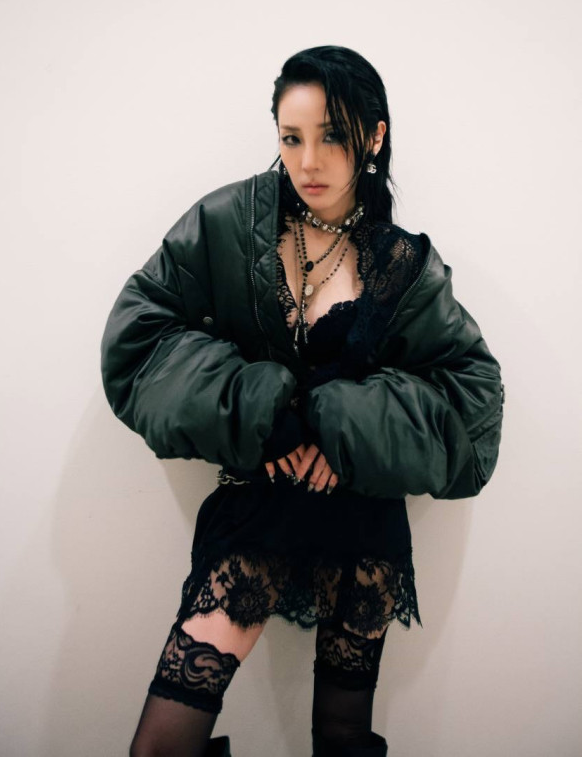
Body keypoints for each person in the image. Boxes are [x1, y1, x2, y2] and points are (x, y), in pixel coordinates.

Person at [100, 45, 505, 757]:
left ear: (374, 137)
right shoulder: (230, 223)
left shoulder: (403, 263)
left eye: (333, 137)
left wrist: (343, 426)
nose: (309, 161)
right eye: (292, 138)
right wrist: (263, 411)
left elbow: (472, 403)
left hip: (362, 516)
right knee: (161, 746)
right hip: (257, 507)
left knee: (342, 739)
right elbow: (137, 341)